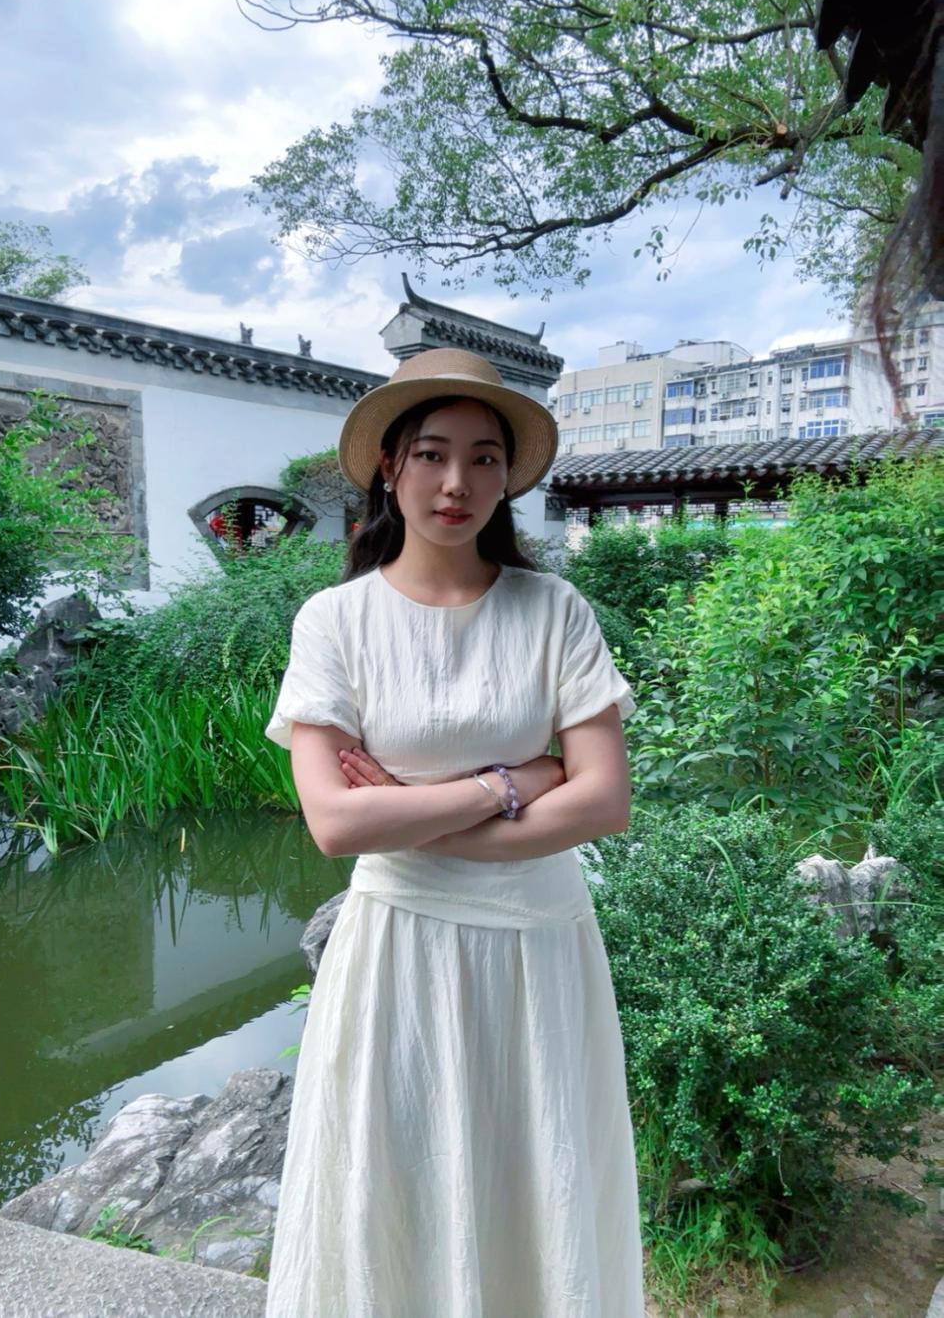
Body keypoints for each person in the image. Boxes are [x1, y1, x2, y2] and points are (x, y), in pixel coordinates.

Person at [263, 346, 646, 1317]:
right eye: (432, 454)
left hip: (537, 949)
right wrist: (512, 782)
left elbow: (603, 801)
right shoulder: (333, 621)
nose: (455, 482)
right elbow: (335, 821)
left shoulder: (554, 610)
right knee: (392, 1197)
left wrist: (412, 810)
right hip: (397, 949)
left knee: (538, 1188)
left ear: (508, 477)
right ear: (389, 466)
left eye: (484, 458)